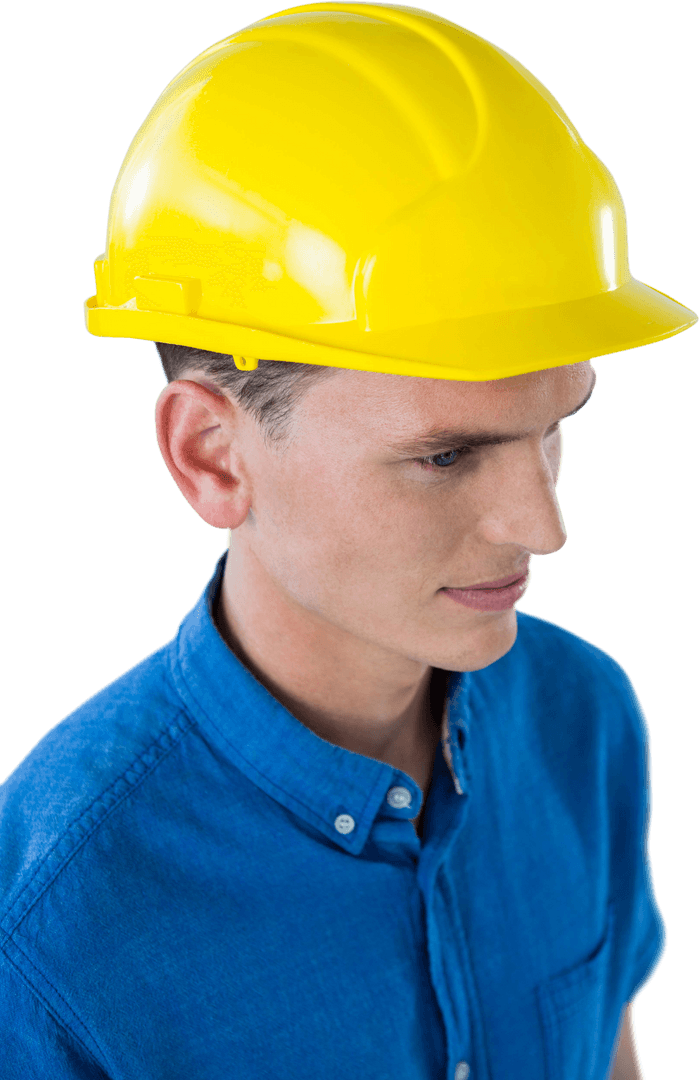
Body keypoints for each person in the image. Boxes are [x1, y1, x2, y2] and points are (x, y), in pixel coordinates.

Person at [1, 4, 696, 1079]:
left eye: (554, 429)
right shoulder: (54, 924)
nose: (545, 527)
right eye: (447, 458)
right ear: (213, 459)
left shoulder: (584, 721)